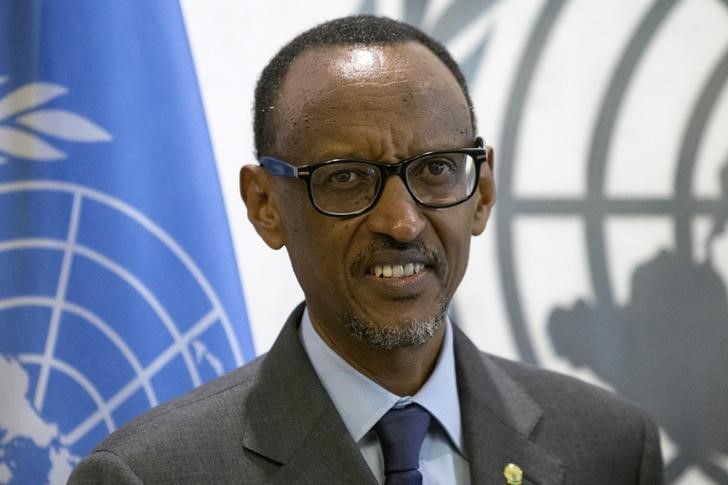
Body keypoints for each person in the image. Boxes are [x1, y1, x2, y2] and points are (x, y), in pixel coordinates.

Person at [70, 15, 663, 484]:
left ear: (481, 191)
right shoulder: (150, 475)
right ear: (265, 205)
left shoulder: (611, 446)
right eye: (348, 177)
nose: (403, 223)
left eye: (435, 169)